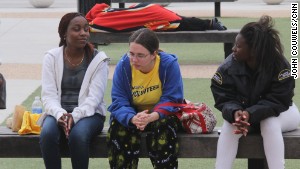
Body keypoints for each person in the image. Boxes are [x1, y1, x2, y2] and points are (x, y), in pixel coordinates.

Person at [211, 15, 300, 169]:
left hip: (284, 113)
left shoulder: (279, 65)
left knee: (269, 122)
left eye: (238, 46)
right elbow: (223, 98)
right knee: (230, 125)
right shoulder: (228, 67)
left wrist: (250, 114)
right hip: (245, 117)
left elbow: (279, 101)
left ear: (253, 49)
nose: (233, 49)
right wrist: (236, 113)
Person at [39, 12, 109, 169]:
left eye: (86, 29)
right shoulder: (51, 57)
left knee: (78, 136)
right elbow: (48, 96)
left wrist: (74, 116)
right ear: (64, 33)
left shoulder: (99, 60)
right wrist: (60, 115)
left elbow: (94, 100)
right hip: (59, 113)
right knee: (47, 134)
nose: (83, 33)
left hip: (91, 115)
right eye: (76, 29)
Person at [107, 28, 184, 169]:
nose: (134, 60)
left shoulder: (168, 65)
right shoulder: (124, 66)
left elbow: (173, 98)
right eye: (131, 54)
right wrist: (132, 117)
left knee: (164, 126)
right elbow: (119, 100)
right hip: (134, 115)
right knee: (118, 127)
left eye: (140, 55)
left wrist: (153, 116)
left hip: (160, 115)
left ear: (154, 54)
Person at [86, 3, 226, 33]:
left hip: (149, 15)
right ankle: (210, 23)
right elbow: (98, 6)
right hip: (147, 10)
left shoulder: (97, 21)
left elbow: (96, 28)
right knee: (179, 20)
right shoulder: (100, 11)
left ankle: (210, 24)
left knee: (180, 22)